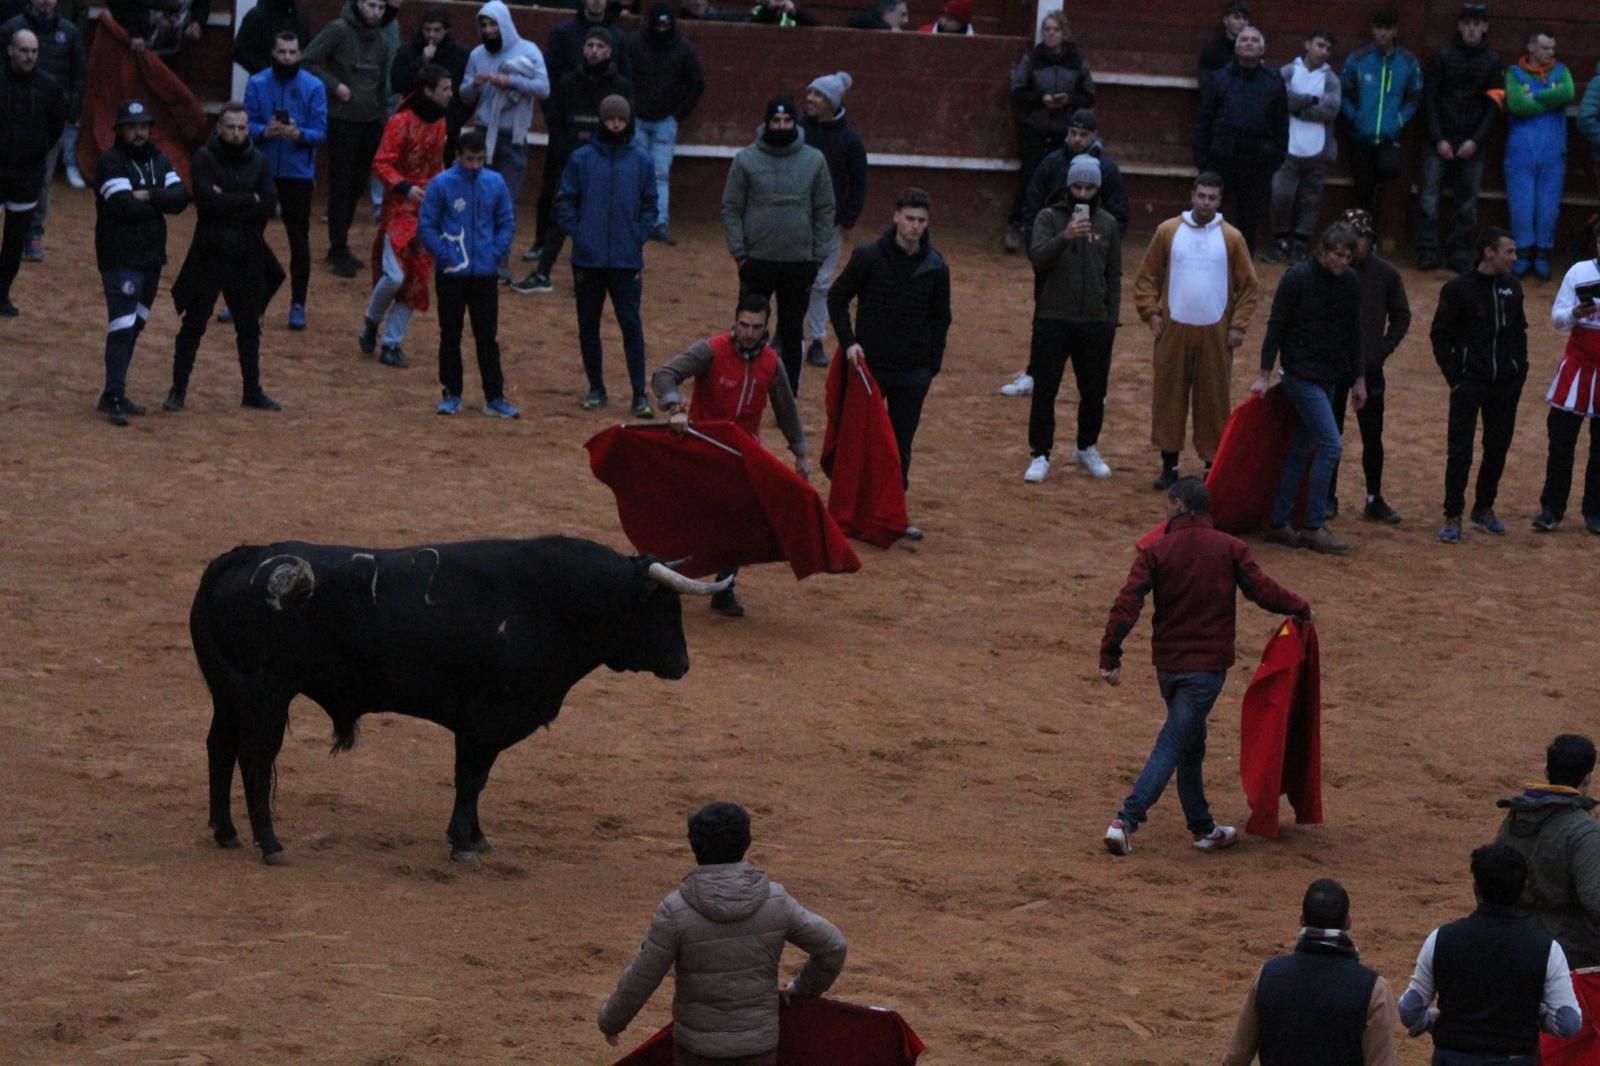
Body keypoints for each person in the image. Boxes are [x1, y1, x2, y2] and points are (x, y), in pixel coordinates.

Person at [1100, 476, 1310, 856]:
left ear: (1180, 505)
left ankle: (1203, 828)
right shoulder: (1230, 547)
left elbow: (1127, 603)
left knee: (1189, 743)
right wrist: (1299, 606)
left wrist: (1110, 653)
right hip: (1206, 670)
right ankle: (1125, 821)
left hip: (1168, 667)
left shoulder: (1156, 551)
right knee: (1174, 742)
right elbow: (1262, 590)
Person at [597, 801, 847, 1063]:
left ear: (694, 846)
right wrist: (803, 990)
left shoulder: (675, 910)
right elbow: (833, 946)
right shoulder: (775, 901)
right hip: (757, 1047)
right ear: (746, 842)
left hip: (698, 1050)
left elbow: (643, 975)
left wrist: (612, 1021)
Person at [654, 295, 812, 618]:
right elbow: (665, 375)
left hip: (742, 455)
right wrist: (674, 406)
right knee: (686, 518)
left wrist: (800, 452)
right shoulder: (710, 350)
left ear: (766, 327)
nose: (749, 333)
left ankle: (724, 587)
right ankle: (664, 580)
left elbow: (785, 409)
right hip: (703, 449)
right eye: (744, 325)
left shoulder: (772, 364)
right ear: (735, 322)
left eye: (756, 327)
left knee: (740, 521)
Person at [827, 187, 950, 537]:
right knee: (859, 441)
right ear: (896, 217)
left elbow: (941, 318)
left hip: (913, 371)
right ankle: (852, 511)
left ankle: (893, 513)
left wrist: (931, 365)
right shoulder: (868, 257)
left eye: (921, 221)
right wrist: (849, 343)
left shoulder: (936, 266)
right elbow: (837, 298)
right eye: (909, 219)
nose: (915, 226)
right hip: (871, 368)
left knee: (900, 443)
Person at [1397, 843, 1582, 1063]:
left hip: (1454, 1058)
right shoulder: (1547, 948)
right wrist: (1536, 1015)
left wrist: (1431, 1021)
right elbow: (1568, 1023)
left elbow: (1409, 1011)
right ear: (1523, 889)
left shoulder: (1441, 939)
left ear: (1476, 888)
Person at [1133, 172, 1259, 489]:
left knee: (1213, 400)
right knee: (1169, 395)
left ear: (1220, 200)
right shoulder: (1168, 231)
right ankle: (1169, 465)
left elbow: (1248, 286)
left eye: (1212, 198)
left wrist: (1238, 326)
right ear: (1192, 196)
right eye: (1201, 196)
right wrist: (1151, 313)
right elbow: (1147, 277)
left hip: (1216, 332)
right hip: (1173, 328)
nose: (1205, 203)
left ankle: (1211, 467)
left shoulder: (1232, 238)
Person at [1250, 222, 1363, 555]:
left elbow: (1354, 332)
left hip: (1328, 375)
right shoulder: (1297, 278)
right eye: (1337, 255)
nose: (1342, 262)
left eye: (1348, 257)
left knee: (1304, 447)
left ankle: (1280, 521)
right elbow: (1276, 326)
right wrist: (1264, 373)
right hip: (1300, 374)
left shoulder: (1350, 282)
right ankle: (1313, 525)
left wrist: (1359, 378)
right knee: (1330, 444)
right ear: (1323, 252)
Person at [1001, 108, 1128, 399]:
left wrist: (1099, 247)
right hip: (1053, 256)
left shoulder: (1107, 171)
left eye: (1083, 134)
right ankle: (1035, 373)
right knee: (1044, 317)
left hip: (1092, 261)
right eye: (1073, 133)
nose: (1077, 139)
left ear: (1094, 135)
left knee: (1097, 323)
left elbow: (1117, 217)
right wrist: (1038, 244)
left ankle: (1096, 386)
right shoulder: (1051, 164)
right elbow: (1032, 204)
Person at [164, 102, 283, 413]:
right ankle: (178, 389)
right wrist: (249, 199)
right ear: (219, 129)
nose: (237, 133)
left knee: (249, 326)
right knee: (194, 323)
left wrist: (226, 199)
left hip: (246, 254)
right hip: (211, 253)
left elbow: (268, 204)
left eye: (242, 128)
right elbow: (207, 202)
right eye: (230, 127)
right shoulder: (204, 158)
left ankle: (252, 390)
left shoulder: (258, 160)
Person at [722, 95, 835, 393]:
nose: (782, 126)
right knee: (749, 328)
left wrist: (817, 256)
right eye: (776, 121)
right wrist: (740, 254)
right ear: (767, 122)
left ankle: (789, 394)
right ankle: (741, 389)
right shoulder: (746, 159)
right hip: (757, 260)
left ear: (795, 123)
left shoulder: (814, 161)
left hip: (799, 262)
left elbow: (825, 210)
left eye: (787, 121)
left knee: (792, 330)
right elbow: (731, 208)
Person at [1223, 879, 1399, 1066]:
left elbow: (1236, 1059)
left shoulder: (1268, 976)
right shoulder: (1374, 989)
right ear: (1348, 921)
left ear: (1301, 920)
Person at [1022, 154, 1119, 484]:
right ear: (1068, 186)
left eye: (1089, 188)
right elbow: (1038, 258)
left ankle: (1086, 446)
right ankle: (1040, 453)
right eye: (1077, 186)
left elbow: (1113, 274)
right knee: (1045, 389)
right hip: (1052, 317)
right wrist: (1065, 237)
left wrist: (1110, 319)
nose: (1083, 193)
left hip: (1094, 322)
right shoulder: (1048, 218)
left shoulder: (1107, 223)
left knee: (1093, 391)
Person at [556, 94, 655, 414]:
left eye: (620, 120)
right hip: (589, 258)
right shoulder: (582, 159)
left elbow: (650, 206)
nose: (615, 125)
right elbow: (565, 201)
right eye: (611, 119)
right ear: (602, 120)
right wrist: (581, 234)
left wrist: (637, 236)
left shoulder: (641, 161)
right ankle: (596, 387)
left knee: (631, 324)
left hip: (625, 258)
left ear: (628, 122)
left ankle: (639, 393)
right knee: (588, 324)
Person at [1429, 227, 1529, 543]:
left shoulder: (1513, 288)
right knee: (1460, 450)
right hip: (1470, 382)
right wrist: (1455, 378)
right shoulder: (1457, 289)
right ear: (1489, 252)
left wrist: (1518, 371)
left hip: (1505, 384)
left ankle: (1484, 507)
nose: (1514, 258)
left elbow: (1519, 332)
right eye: (1509, 252)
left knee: (1497, 447)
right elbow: (1440, 335)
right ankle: (1453, 514)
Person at [514, 27, 631, 295]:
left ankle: (588, 276)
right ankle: (543, 272)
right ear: (583, 49)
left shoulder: (620, 86)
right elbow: (556, 118)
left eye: (600, 46)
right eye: (590, 45)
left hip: (604, 161)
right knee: (561, 215)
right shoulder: (569, 82)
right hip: (571, 159)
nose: (594, 51)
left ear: (609, 52)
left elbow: (626, 125)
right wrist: (564, 148)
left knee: (596, 220)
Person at [94, 99, 189, 425]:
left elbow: (181, 199)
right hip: (119, 257)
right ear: (120, 130)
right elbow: (123, 206)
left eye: (143, 126)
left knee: (135, 325)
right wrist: (159, 198)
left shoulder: (158, 158)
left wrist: (146, 194)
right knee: (122, 326)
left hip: (151, 258)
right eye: (132, 127)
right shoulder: (110, 161)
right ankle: (114, 395)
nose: (138, 132)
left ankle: (112, 392)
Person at [417, 128, 519, 418]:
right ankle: (451, 393)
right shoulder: (441, 184)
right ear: (458, 156)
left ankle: (495, 397)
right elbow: (427, 225)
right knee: (450, 334)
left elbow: (506, 222)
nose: (474, 165)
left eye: (479, 159)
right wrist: (446, 255)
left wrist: (493, 253)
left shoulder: (495, 183)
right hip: (452, 274)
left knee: (487, 336)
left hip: (484, 274)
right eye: (469, 159)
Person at [359, 63, 451, 370]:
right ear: (428, 91)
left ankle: (392, 343)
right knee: (396, 276)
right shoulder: (401, 121)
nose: (450, 94)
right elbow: (381, 163)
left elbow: (437, 165)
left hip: (427, 209)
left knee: (416, 277)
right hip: (400, 209)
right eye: (445, 89)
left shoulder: (440, 122)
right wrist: (406, 187)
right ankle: (372, 319)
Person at [1328, 208, 1411, 525]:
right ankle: (1327, 495)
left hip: (1369, 364)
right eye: (1353, 237)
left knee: (1372, 435)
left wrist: (1381, 350)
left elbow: (1401, 315)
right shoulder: (1331, 271)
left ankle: (1374, 496)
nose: (1357, 244)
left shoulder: (1385, 274)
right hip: (1335, 364)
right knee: (1330, 432)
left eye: (1362, 238)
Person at [303, 0, 397, 278]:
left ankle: (340, 243)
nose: (376, 12)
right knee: (342, 185)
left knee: (356, 185)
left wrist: (383, 117)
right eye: (371, 5)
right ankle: (338, 246)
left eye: (381, 7)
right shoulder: (339, 30)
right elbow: (307, 61)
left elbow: (383, 83)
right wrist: (335, 86)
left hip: (370, 121)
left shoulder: (382, 39)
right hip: (342, 120)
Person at [459, 0, 548, 281]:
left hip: (513, 136)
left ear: (505, 24)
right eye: (484, 25)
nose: (488, 30)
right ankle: (473, 256)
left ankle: (499, 263)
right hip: (483, 133)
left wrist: (509, 82)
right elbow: (464, 95)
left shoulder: (528, 51)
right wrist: (475, 84)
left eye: (493, 24)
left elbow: (543, 88)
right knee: (477, 197)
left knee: (505, 201)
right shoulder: (477, 54)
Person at [1495, 736, 1600, 973]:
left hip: (1514, 945)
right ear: (1588, 777)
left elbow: (1490, 883)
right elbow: (1596, 901)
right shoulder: (1584, 831)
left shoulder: (1515, 818)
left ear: (1546, 771)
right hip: (1569, 959)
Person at [245, 30, 327, 331]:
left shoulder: (314, 86)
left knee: (299, 239)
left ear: (300, 54)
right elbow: (245, 125)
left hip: (297, 173)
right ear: (273, 53)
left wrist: (299, 134)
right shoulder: (257, 83)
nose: (288, 58)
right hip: (262, 170)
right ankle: (244, 298)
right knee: (250, 235)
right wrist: (263, 131)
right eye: (282, 52)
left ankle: (298, 303)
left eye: (292, 53)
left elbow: (320, 132)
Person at [1416, 2, 1498, 274]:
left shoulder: (1492, 62)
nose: (1472, 29)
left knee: (1466, 203)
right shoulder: (1443, 57)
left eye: (1477, 24)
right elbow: (1429, 100)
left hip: (1471, 141)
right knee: (1429, 199)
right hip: (1440, 139)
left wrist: (1475, 141)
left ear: (1485, 27)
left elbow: (1493, 108)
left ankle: (1459, 253)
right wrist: (1438, 138)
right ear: (1460, 26)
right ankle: (1427, 251)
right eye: (1468, 24)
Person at [1005, 11, 1093, 254]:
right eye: (1047, 30)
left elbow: (1089, 96)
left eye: (1055, 30)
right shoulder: (1032, 59)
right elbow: (1017, 93)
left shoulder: (1076, 60)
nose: (1051, 34)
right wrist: (1040, 99)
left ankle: (1061, 229)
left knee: (1064, 178)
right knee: (1030, 176)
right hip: (1034, 128)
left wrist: (1069, 100)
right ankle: (1017, 225)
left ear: (1064, 33)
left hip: (1066, 132)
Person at [1194, 25, 1286, 257]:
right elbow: (1204, 119)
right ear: (1235, 48)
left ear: (1262, 49)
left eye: (1254, 40)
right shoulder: (1218, 79)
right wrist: (1203, 159)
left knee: (1249, 222)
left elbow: (1281, 122)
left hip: (1258, 163)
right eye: (1244, 39)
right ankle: (1203, 261)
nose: (1249, 43)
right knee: (1209, 215)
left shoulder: (1274, 80)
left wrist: (1275, 158)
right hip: (1221, 160)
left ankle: (1242, 270)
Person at [2, 0, 83, 263]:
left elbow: (79, 74)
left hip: (46, 122)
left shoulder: (70, 32)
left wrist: (69, 110)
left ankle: (34, 233)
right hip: (8, 123)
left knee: (42, 181)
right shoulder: (11, 27)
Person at [1534, 222, 1600, 535]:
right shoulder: (1578, 272)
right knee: (1561, 442)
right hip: (1577, 368)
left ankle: (1595, 511)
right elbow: (1557, 319)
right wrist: (1576, 313)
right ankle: (1552, 508)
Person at [800, 71, 867, 371]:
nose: (810, 98)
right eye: (810, 92)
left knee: (821, 283)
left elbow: (859, 182)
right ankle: (784, 333)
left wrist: (846, 219)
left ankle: (816, 339)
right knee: (789, 278)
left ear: (831, 101)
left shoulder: (850, 140)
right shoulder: (798, 130)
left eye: (817, 94)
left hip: (829, 222)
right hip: (795, 219)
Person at [624, 2, 703, 246]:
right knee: (638, 171)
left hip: (664, 121)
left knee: (658, 173)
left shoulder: (681, 48)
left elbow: (697, 84)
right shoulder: (635, 44)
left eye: (665, 25)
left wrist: (677, 114)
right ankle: (637, 221)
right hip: (638, 118)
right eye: (658, 24)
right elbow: (621, 76)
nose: (661, 29)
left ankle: (658, 223)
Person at [0, 27, 63, 317]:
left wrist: (35, 150)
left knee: (15, 242)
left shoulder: (49, 87)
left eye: (34, 51)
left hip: (26, 175)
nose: (29, 56)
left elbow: (55, 127)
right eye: (24, 50)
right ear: (11, 51)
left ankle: (1, 294)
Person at [1339, 7, 1422, 223]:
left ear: (1395, 31)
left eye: (1387, 28)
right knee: (1362, 189)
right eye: (1378, 28)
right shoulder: (1358, 59)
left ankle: (1372, 230)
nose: (1383, 33)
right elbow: (1344, 92)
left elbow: (1414, 96)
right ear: (1372, 29)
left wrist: (1400, 120)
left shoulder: (1408, 61)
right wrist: (1354, 117)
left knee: (1388, 173)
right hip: (1361, 135)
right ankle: (1359, 233)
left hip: (1389, 135)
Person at [1504, 30, 1574, 282]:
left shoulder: (1561, 71)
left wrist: (1535, 96)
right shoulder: (1514, 73)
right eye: (1545, 48)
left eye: (1553, 48)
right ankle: (1522, 253)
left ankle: (1542, 254)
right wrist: (1549, 101)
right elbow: (1517, 104)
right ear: (1531, 47)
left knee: (1548, 206)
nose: (1551, 53)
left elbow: (1567, 93)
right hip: (1520, 152)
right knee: (1521, 205)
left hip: (1552, 153)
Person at [1264, 29, 1338, 265]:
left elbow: (1331, 110)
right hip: (1287, 145)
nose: (1323, 52)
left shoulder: (1331, 79)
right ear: (1307, 44)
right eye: (1320, 45)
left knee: (1311, 199)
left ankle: (1301, 245)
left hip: (1319, 148)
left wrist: (1296, 109)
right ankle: (1280, 241)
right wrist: (1312, 100)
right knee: (1281, 195)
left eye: (1328, 48)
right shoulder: (1288, 71)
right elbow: (1279, 99)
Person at [390, 8, 471, 161]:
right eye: (427, 29)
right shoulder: (408, 51)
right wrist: (421, 61)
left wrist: (455, 121)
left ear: (446, 30)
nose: (431, 35)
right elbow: (397, 84)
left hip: (447, 126)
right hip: (412, 124)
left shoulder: (460, 55)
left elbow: (465, 94)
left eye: (437, 30)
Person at [108, 0, 206, 65]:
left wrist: (197, 21)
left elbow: (202, 3)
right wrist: (133, 32)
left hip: (175, 48)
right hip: (135, 46)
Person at [231, 0, 309, 76]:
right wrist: (266, 71)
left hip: (294, 79)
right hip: (264, 79)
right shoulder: (256, 15)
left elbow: (305, 50)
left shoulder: (300, 17)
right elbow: (239, 51)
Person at [1197, 0, 1249, 82]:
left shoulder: (1252, 48)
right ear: (1225, 20)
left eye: (1245, 19)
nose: (1242, 22)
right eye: (1237, 17)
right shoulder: (1211, 50)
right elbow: (1206, 81)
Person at [748, 0, 818, 28]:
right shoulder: (757, 10)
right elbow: (753, 22)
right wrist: (770, 8)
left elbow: (814, 23)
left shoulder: (795, 10)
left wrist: (795, 11)